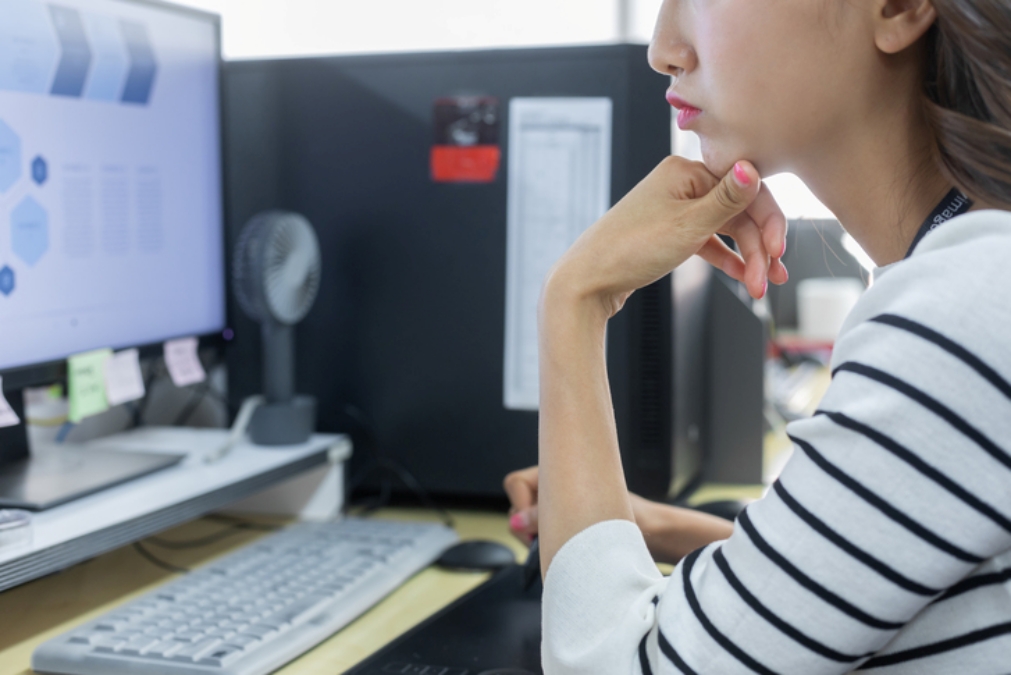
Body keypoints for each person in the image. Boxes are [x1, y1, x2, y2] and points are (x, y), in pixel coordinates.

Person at [503, 0, 1011, 672]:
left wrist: (576, 296)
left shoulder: (961, 309)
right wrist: (658, 527)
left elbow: (611, 665)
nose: (663, 48)